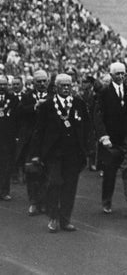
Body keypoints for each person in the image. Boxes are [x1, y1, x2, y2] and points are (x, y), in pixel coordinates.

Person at [29, 74, 90, 233]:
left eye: (68, 85)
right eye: (62, 85)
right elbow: (39, 131)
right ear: (55, 87)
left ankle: (65, 220)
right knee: (54, 183)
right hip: (53, 154)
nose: (66, 88)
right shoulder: (47, 105)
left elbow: (87, 128)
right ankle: (53, 217)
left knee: (70, 187)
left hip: (73, 154)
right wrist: (36, 154)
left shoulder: (79, 104)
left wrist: (87, 149)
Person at [94, 62, 127, 217]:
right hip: (111, 138)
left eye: (123, 73)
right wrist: (104, 136)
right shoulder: (104, 93)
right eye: (118, 74)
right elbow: (98, 117)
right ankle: (106, 201)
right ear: (111, 75)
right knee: (110, 172)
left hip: (125, 137)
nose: (121, 76)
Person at [16, 70, 50, 216]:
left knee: (46, 172)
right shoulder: (27, 96)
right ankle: (33, 202)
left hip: (47, 140)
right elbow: (19, 112)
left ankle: (43, 202)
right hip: (30, 140)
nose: (42, 84)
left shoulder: (53, 96)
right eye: (39, 81)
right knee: (31, 172)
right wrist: (35, 107)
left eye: (44, 81)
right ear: (34, 83)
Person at [0, 76, 20, 200]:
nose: (2, 87)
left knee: (6, 165)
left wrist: (16, 136)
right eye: (0, 84)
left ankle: (4, 191)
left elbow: (17, 119)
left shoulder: (13, 99)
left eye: (4, 84)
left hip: (8, 138)